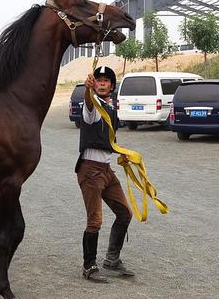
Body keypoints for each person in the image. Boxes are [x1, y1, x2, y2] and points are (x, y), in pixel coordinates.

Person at [75, 66, 134, 283]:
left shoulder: (110, 108)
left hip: (107, 170)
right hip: (90, 170)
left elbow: (108, 139)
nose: (101, 83)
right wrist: (87, 92)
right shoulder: (92, 107)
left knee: (125, 213)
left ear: (111, 85)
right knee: (95, 221)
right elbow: (89, 108)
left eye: (105, 81)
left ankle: (111, 259)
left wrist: (121, 153)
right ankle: (89, 266)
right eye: (97, 80)